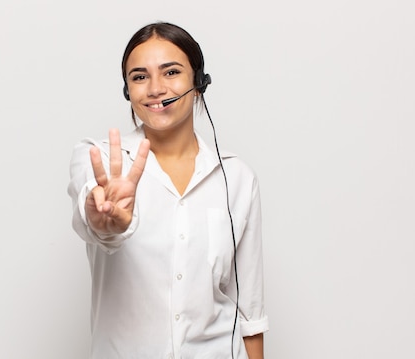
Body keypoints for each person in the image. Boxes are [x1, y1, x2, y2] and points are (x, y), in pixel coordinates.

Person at [67, 21, 269, 359]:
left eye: (171, 72)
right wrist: (106, 221)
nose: (155, 88)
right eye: (140, 77)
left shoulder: (237, 177)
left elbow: (250, 309)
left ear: (199, 83)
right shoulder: (97, 158)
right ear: (127, 91)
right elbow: (96, 221)